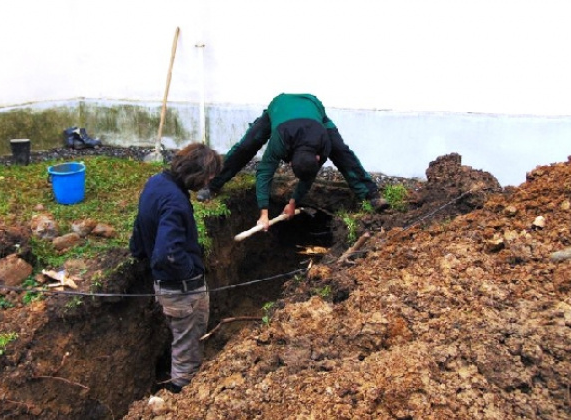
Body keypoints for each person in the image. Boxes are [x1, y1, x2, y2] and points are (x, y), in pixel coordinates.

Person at [197, 93, 389, 230]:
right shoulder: (279, 141)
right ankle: (212, 185)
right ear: (288, 161)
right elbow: (264, 171)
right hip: (280, 107)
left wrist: (293, 202)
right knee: (246, 147)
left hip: (313, 108)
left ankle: (371, 194)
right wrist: (264, 212)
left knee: (343, 154)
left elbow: (308, 176)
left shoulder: (324, 142)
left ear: (317, 158)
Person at [130, 142, 222, 393]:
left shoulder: (156, 182)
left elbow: (140, 225)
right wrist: (190, 276)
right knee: (187, 352)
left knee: (180, 338)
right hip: (182, 292)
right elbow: (167, 254)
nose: (209, 181)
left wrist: (137, 250)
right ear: (197, 172)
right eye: (209, 176)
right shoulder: (176, 203)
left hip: (165, 288)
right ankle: (180, 395)